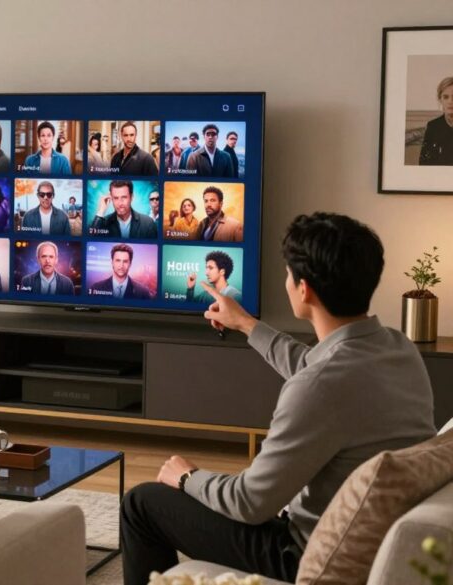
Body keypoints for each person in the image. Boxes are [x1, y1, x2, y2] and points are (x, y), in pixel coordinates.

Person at [120, 213, 435, 585]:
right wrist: (245, 323)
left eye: (288, 274)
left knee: (141, 504)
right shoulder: (398, 348)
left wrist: (187, 477)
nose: (286, 281)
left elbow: (250, 502)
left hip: (305, 554)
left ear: (304, 290)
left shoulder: (319, 386)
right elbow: (315, 365)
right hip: (368, 540)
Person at [89, 180, 158, 239]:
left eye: (124, 197)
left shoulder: (148, 223)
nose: (120, 203)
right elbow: (90, 239)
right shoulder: (103, 223)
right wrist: (101, 211)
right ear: (111, 198)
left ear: (131, 197)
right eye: (116, 198)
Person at [419, 76, 453, 166]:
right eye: (446, 97)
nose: (450, 101)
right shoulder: (433, 127)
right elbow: (423, 163)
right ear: (440, 100)